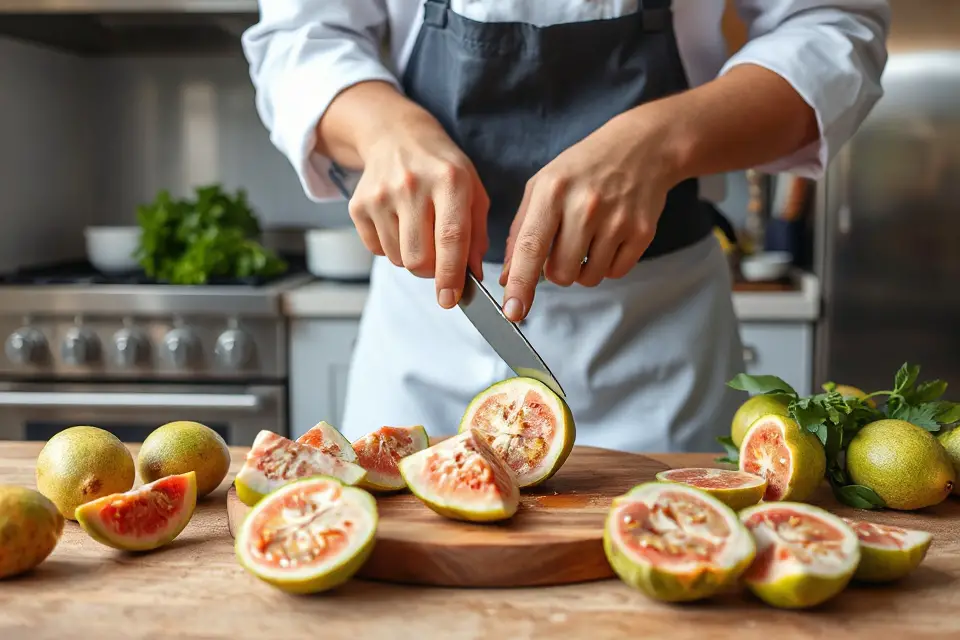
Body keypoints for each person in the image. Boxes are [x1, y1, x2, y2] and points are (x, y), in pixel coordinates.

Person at [241, 1, 890, 452]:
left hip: (655, 344)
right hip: (427, 332)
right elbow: (302, 35)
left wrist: (662, 140)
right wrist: (385, 129)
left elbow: (833, 29)